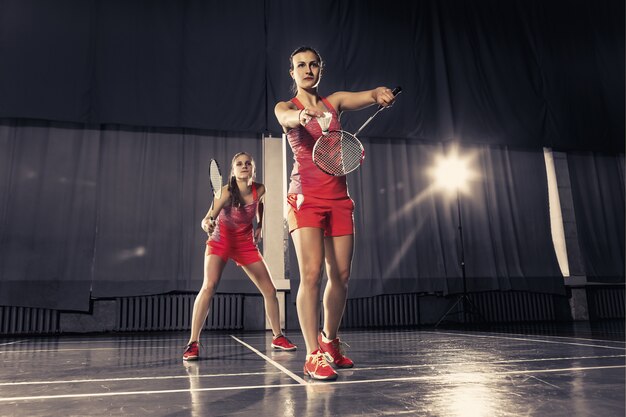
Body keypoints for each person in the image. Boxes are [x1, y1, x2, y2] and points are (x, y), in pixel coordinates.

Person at [274, 46, 397, 380]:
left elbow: (369, 95)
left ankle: (330, 342)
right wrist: (299, 118)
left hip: (339, 198)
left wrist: (380, 94)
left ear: (321, 69)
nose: (308, 69)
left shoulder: (335, 101)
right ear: (292, 72)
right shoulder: (287, 107)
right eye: (301, 65)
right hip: (305, 199)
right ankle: (313, 354)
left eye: (314, 64)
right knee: (311, 274)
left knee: (341, 276)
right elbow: (285, 117)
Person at [183, 152, 296, 360]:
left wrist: (260, 225)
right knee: (209, 286)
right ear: (233, 171)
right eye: (239, 164)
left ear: (253, 168)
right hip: (221, 241)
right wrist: (208, 224)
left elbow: (259, 204)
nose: (244, 166)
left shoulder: (260, 189)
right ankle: (193, 343)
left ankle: (277, 336)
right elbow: (207, 218)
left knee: (270, 290)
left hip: (245, 244)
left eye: (248, 164)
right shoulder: (225, 192)